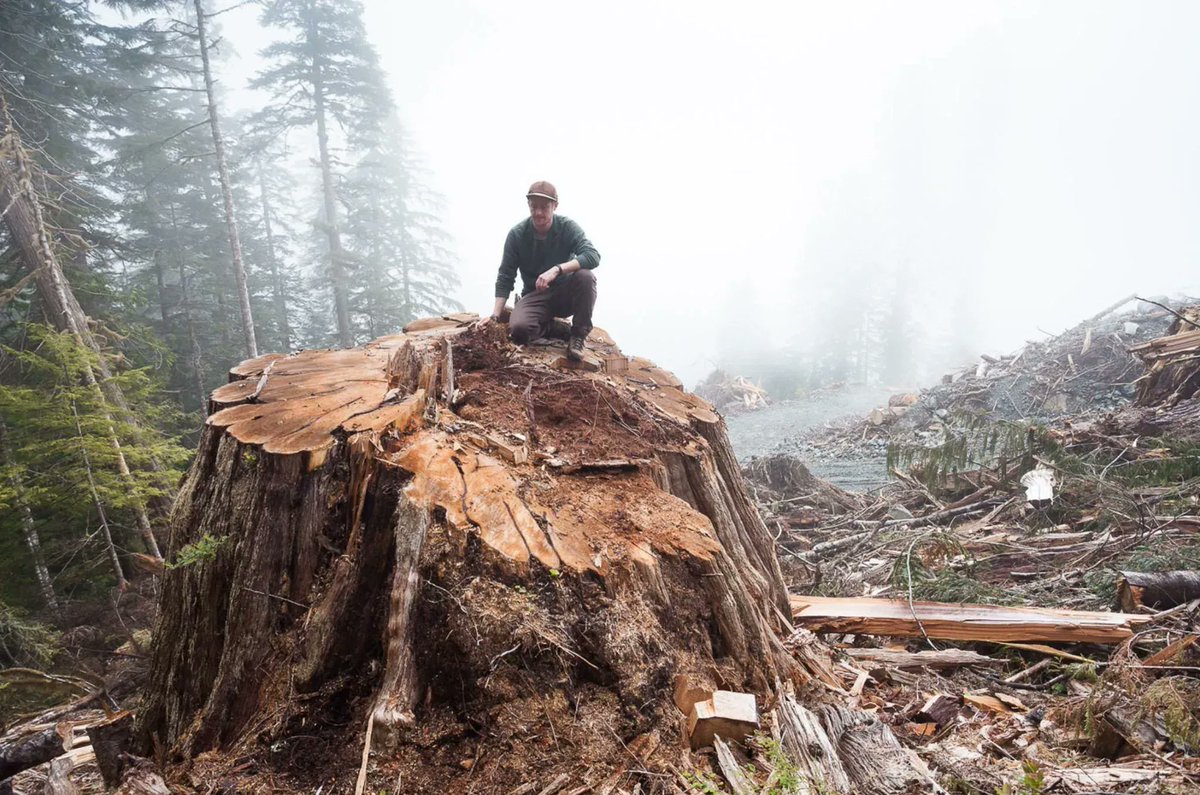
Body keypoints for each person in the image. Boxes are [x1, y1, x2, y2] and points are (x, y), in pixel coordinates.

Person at [491, 180, 600, 360]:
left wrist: (557, 270)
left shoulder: (567, 228)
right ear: (528, 205)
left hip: (566, 293)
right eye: (534, 206)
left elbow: (592, 255)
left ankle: (578, 335)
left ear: (555, 206)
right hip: (535, 296)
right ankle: (552, 328)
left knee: (586, 277)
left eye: (544, 207)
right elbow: (505, 276)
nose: (538, 212)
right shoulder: (517, 235)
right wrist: (495, 316)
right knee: (519, 330)